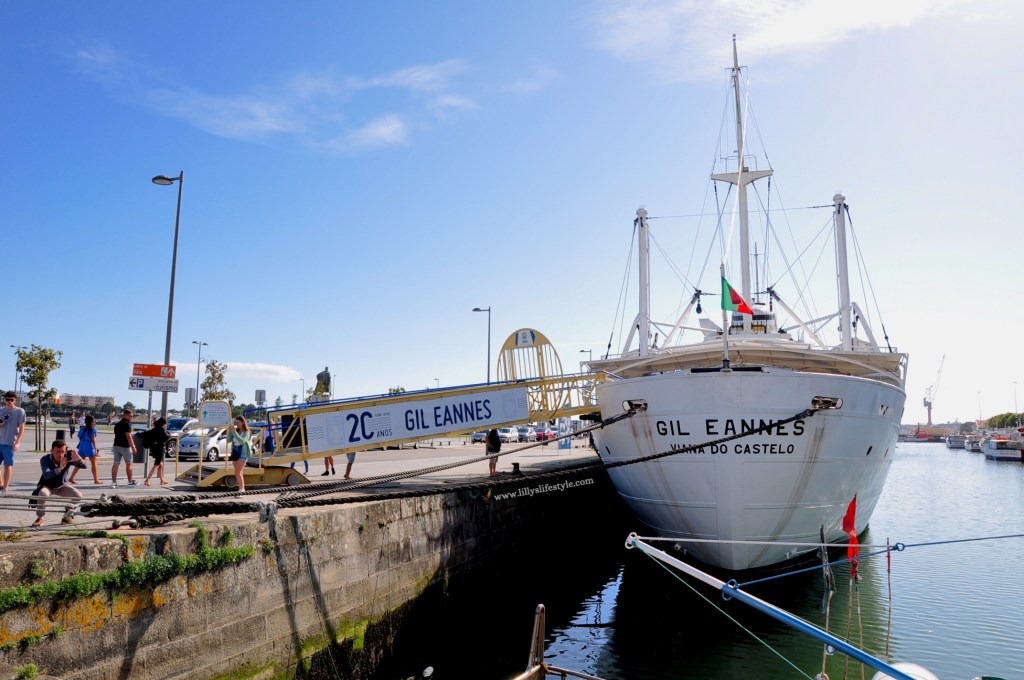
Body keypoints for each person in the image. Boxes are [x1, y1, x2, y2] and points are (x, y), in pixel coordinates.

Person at [30, 440, 86, 527]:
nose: (60, 454)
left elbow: (84, 466)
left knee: (78, 495)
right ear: (52, 451)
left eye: (62, 451)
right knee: (42, 493)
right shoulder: (45, 459)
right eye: (57, 452)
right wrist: (59, 469)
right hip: (47, 485)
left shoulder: (68, 458)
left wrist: (78, 457)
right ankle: (40, 518)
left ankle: (68, 514)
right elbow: (47, 475)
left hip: (61, 486)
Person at [0, 391, 27, 494]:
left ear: (15, 400)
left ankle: (5, 487)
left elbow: (22, 429)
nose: (9, 402)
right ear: (5, 400)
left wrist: (18, 443)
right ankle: (1, 483)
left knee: (7, 466)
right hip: (0, 441)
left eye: (12, 400)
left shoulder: (20, 411)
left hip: (10, 443)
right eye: (7, 399)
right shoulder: (1, 410)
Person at [70, 414, 101, 484]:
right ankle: (96, 480)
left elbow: (79, 436)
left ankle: (71, 477)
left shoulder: (82, 428)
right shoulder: (93, 430)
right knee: (94, 463)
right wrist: (96, 449)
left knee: (80, 462)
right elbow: (93, 440)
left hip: (82, 445)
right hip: (89, 446)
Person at [110, 408, 137, 488]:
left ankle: (114, 482)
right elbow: (129, 436)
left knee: (116, 463)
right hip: (125, 446)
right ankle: (130, 481)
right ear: (126, 415)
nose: (131, 418)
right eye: (131, 416)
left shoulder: (117, 424)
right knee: (129, 463)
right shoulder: (127, 424)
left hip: (116, 445)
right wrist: (133, 447)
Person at [227, 415, 252, 492]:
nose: (237, 424)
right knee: (239, 472)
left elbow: (242, 441)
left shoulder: (246, 432)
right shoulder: (236, 431)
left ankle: (241, 489)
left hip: (243, 452)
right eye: (236, 422)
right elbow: (228, 440)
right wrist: (230, 431)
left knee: (237, 472)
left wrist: (234, 432)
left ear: (243, 422)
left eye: (238, 422)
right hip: (235, 451)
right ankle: (241, 488)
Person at [143, 417, 170, 486]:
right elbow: (167, 436)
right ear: (163, 424)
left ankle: (162, 480)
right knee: (156, 465)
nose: (166, 425)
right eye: (165, 424)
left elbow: (147, 434)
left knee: (160, 465)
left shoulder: (154, 429)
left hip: (154, 448)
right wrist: (168, 434)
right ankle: (147, 480)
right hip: (160, 449)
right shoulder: (162, 430)